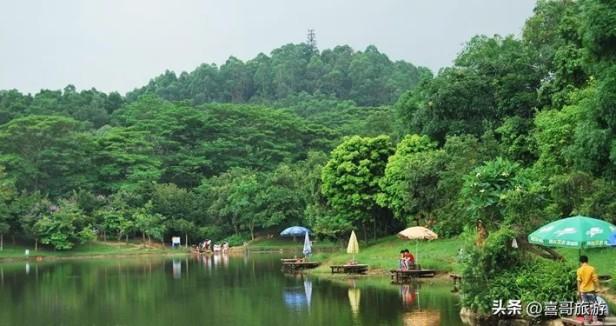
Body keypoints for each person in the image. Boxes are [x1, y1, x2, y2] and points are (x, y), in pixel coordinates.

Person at [577, 255, 599, 324]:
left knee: (585, 306)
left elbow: (578, 281)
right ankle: (595, 321)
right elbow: (595, 280)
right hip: (591, 290)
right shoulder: (592, 269)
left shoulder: (579, 270)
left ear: (580, 261)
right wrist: (598, 288)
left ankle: (586, 321)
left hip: (583, 291)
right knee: (593, 305)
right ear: (587, 261)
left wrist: (579, 291)